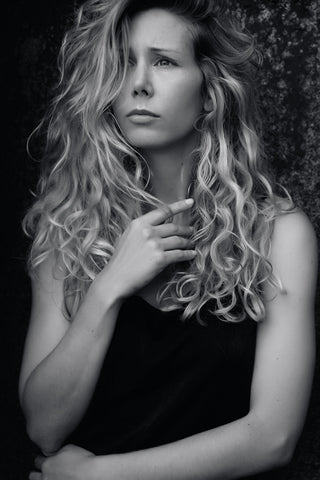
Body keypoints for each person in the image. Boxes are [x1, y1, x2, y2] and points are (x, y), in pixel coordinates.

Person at [20, 0, 317, 479]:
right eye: (123, 63)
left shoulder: (279, 235)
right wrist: (109, 286)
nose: (138, 82)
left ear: (210, 92)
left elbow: (273, 437)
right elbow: (44, 428)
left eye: (164, 61)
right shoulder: (68, 227)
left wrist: (99, 476)